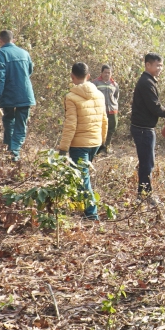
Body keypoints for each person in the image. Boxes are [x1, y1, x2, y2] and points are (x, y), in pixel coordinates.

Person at [59, 62, 107, 220]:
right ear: (88, 76)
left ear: (72, 77)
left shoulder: (70, 97)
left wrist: (63, 148)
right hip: (95, 141)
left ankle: (92, 215)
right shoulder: (99, 94)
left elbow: (70, 125)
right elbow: (104, 120)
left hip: (80, 144)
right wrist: (102, 142)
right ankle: (79, 204)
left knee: (83, 178)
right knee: (80, 176)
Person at [130, 53, 165, 199]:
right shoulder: (146, 83)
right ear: (148, 65)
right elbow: (155, 108)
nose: (160, 68)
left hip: (145, 128)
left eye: (161, 65)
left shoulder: (149, 81)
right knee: (147, 164)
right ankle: (145, 195)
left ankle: (143, 193)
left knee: (147, 162)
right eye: (157, 65)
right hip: (143, 129)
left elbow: (156, 106)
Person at [0, 29, 35, 162]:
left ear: (0, 41)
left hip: (9, 95)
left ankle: (12, 151)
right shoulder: (25, 53)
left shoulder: (0, 53)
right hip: (25, 94)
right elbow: (29, 71)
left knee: (9, 120)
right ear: (13, 40)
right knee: (21, 124)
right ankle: (13, 151)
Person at [92, 65, 121, 156]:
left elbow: (116, 97)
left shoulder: (114, 84)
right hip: (100, 110)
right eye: (105, 72)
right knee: (99, 128)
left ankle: (106, 146)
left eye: (109, 73)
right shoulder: (95, 83)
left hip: (112, 110)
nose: (107, 74)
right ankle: (98, 147)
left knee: (112, 128)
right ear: (101, 72)